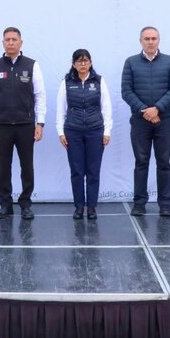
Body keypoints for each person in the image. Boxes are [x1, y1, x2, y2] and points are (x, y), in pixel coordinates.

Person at [0, 27, 47, 220]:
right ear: (3, 43)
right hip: (1, 125)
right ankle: (5, 204)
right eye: (7, 39)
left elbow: (40, 95)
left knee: (27, 166)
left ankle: (26, 204)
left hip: (26, 124)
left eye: (14, 39)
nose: (10, 42)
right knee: (4, 166)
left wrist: (40, 123)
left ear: (21, 43)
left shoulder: (32, 65)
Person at [120, 26, 170, 217]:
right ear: (140, 41)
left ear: (159, 40)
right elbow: (126, 91)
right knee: (141, 162)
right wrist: (145, 111)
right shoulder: (130, 63)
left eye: (154, 38)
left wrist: (157, 109)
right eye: (146, 39)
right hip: (140, 121)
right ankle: (139, 203)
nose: (150, 42)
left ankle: (164, 204)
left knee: (163, 163)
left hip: (164, 120)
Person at [56, 49, 112, 220]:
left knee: (93, 170)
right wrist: (60, 131)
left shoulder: (99, 81)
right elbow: (61, 110)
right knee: (77, 171)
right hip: (73, 131)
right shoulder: (66, 83)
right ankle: (79, 207)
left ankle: (92, 207)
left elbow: (106, 108)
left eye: (85, 60)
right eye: (79, 61)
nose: (82, 64)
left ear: (91, 62)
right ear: (73, 64)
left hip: (95, 131)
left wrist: (107, 131)